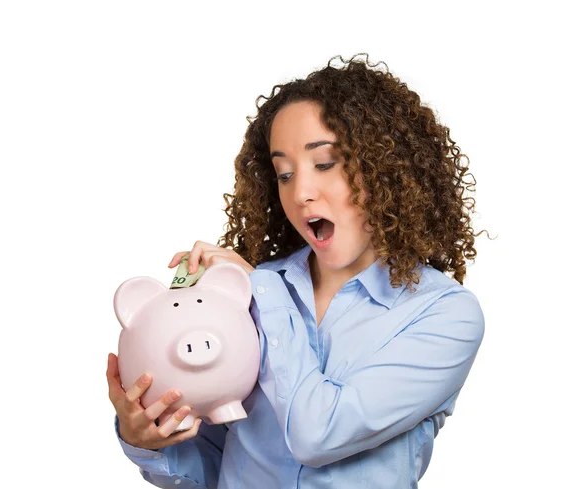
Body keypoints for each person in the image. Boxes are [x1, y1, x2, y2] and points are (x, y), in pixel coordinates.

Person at [106, 53, 487, 488]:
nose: (301, 192)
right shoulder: (250, 295)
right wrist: (149, 439)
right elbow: (216, 463)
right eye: (284, 174)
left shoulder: (445, 315)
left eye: (324, 164)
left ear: (388, 170)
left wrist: (263, 289)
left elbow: (319, 435)